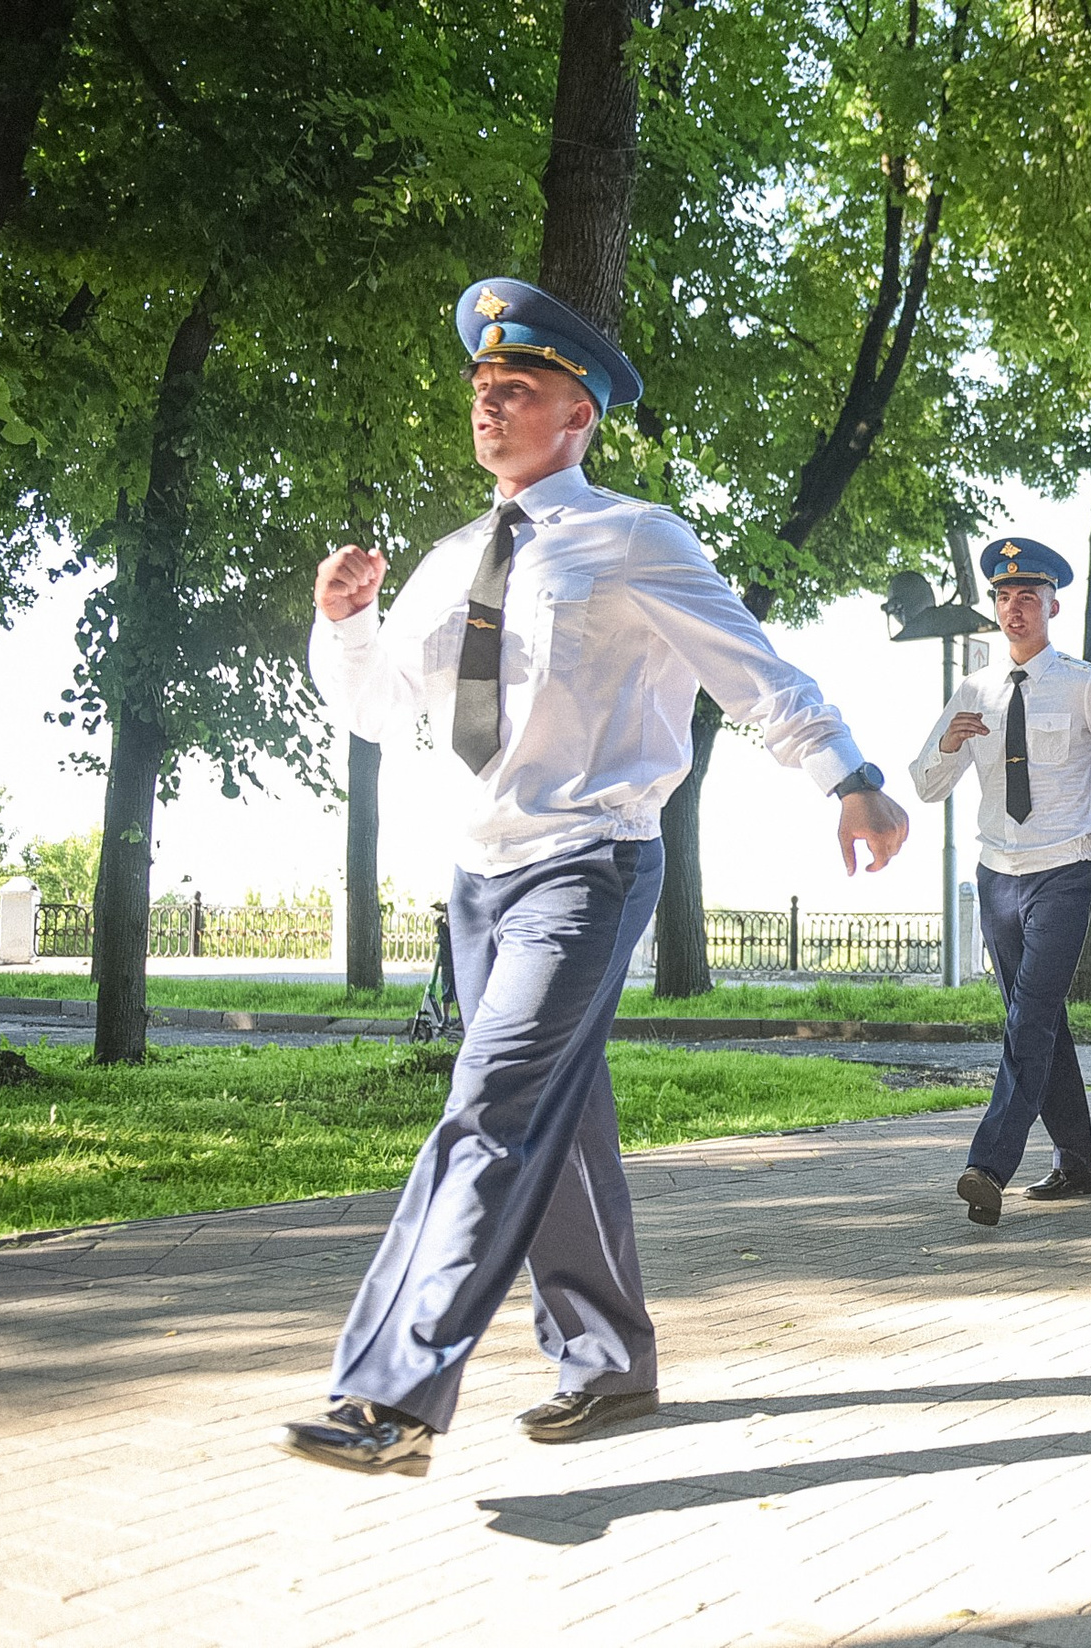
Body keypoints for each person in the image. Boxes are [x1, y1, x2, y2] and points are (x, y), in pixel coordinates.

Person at [281, 278, 907, 1476]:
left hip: (592, 859)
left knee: (493, 1106)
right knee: (553, 1122)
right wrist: (344, 622)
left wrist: (850, 775)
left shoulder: (633, 535)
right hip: (478, 876)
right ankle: (609, 1357)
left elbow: (752, 670)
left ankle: (392, 1394)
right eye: (480, 387)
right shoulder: (456, 552)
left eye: (516, 388)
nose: (491, 404)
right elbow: (375, 710)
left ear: (579, 413)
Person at [911, 538, 1091, 1226]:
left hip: (1063, 868)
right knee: (1038, 1018)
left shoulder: (1087, 683)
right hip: (996, 872)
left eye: (1027, 596)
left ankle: (989, 1164)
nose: (1014, 608)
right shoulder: (974, 689)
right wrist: (946, 745)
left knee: (1030, 1013)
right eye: (1003, 597)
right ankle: (1078, 1161)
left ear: (1053, 605)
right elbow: (924, 784)